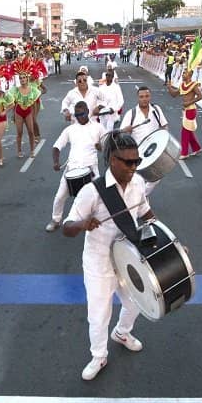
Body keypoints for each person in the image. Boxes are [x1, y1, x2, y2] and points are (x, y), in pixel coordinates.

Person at [62, 131, 152, 381]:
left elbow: (146, 212)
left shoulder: (138, 183)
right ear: (113, 160)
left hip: (127, 258)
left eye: (137, 161)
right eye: (128, 162)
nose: (134, 167)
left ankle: (122, 332)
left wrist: (167, 241)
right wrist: (82, 224)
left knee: (138, 302)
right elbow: (67, 227)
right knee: (99, 315)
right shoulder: (91, 192)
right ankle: (99, 356)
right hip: (99, 263)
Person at [46, 101, 106, 231]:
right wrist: (56, 162)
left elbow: (107, 147)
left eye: (82, 114)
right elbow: (56, 146)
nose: (80, 117)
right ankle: (56, 220)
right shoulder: (70, 129)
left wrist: (100, 147)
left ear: (88, 112)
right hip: (71, 169)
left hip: (91, 168)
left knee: (101, 196)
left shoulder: (98, 127)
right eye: (77, 115)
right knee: (59, 197)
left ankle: (101, 221)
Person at [167, 40, 202, 158]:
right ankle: (197, 148)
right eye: (183, 73)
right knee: (188, 131)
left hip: (191, 110)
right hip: (185, 110)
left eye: (185, 73)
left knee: (185, 132)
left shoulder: (194, 85)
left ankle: (184, 153)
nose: (183, 74)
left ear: (190, 74)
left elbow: (200, 96)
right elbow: (174, 94)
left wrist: (189, 102)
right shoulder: (182, 85)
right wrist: (169, 87)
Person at [8, 59, 42, 158]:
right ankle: (19, 151)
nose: (22, 80)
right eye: (20, 78)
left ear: (27, 79)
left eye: (24, 78)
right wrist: (13, 115)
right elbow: (14, 104)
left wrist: (34, 116)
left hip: (28, 112)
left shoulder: (33, 90)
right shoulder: (15, 90)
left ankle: (32, 150)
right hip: (18, 112)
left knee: (31, 132)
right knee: (19, 132)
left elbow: (35, 104)